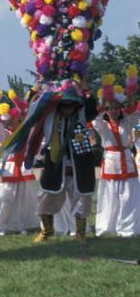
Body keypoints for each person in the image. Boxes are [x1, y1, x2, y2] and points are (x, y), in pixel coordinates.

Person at [34, 92, 96, 244]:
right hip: (55, 168)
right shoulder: (51, 120)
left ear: (76, 106)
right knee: (45, 198)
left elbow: (92, 108)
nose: (68, 110)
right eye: (64, 106)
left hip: (79, 168)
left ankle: (80, 233)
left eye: (71, 106)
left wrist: (84, 89)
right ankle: (47, 230)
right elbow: (37, 109)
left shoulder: (81, 117)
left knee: (82, 199)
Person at [92, 95, 140, 237]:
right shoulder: (102, 125)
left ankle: (127, 227)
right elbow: (96, 119)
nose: (113, 111)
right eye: (110, 108)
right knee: (109, 195)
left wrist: (130, 97)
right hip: (111, 161)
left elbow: (134, 115)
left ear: (120, 109)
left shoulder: (127, 122)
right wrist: (103, 101)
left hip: (126, 158)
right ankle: (107, 226)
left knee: (128, 196)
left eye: (116, 108)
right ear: (106, 110)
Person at [0, 103, 38, 235]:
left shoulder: (26, 134)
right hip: (10, 167)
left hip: (23, 167)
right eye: (8, 122)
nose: (10, 123)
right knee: (6, 197)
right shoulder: (6, 134)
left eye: (13, 120)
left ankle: (21, 225)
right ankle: (2, 226)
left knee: (22, 198)